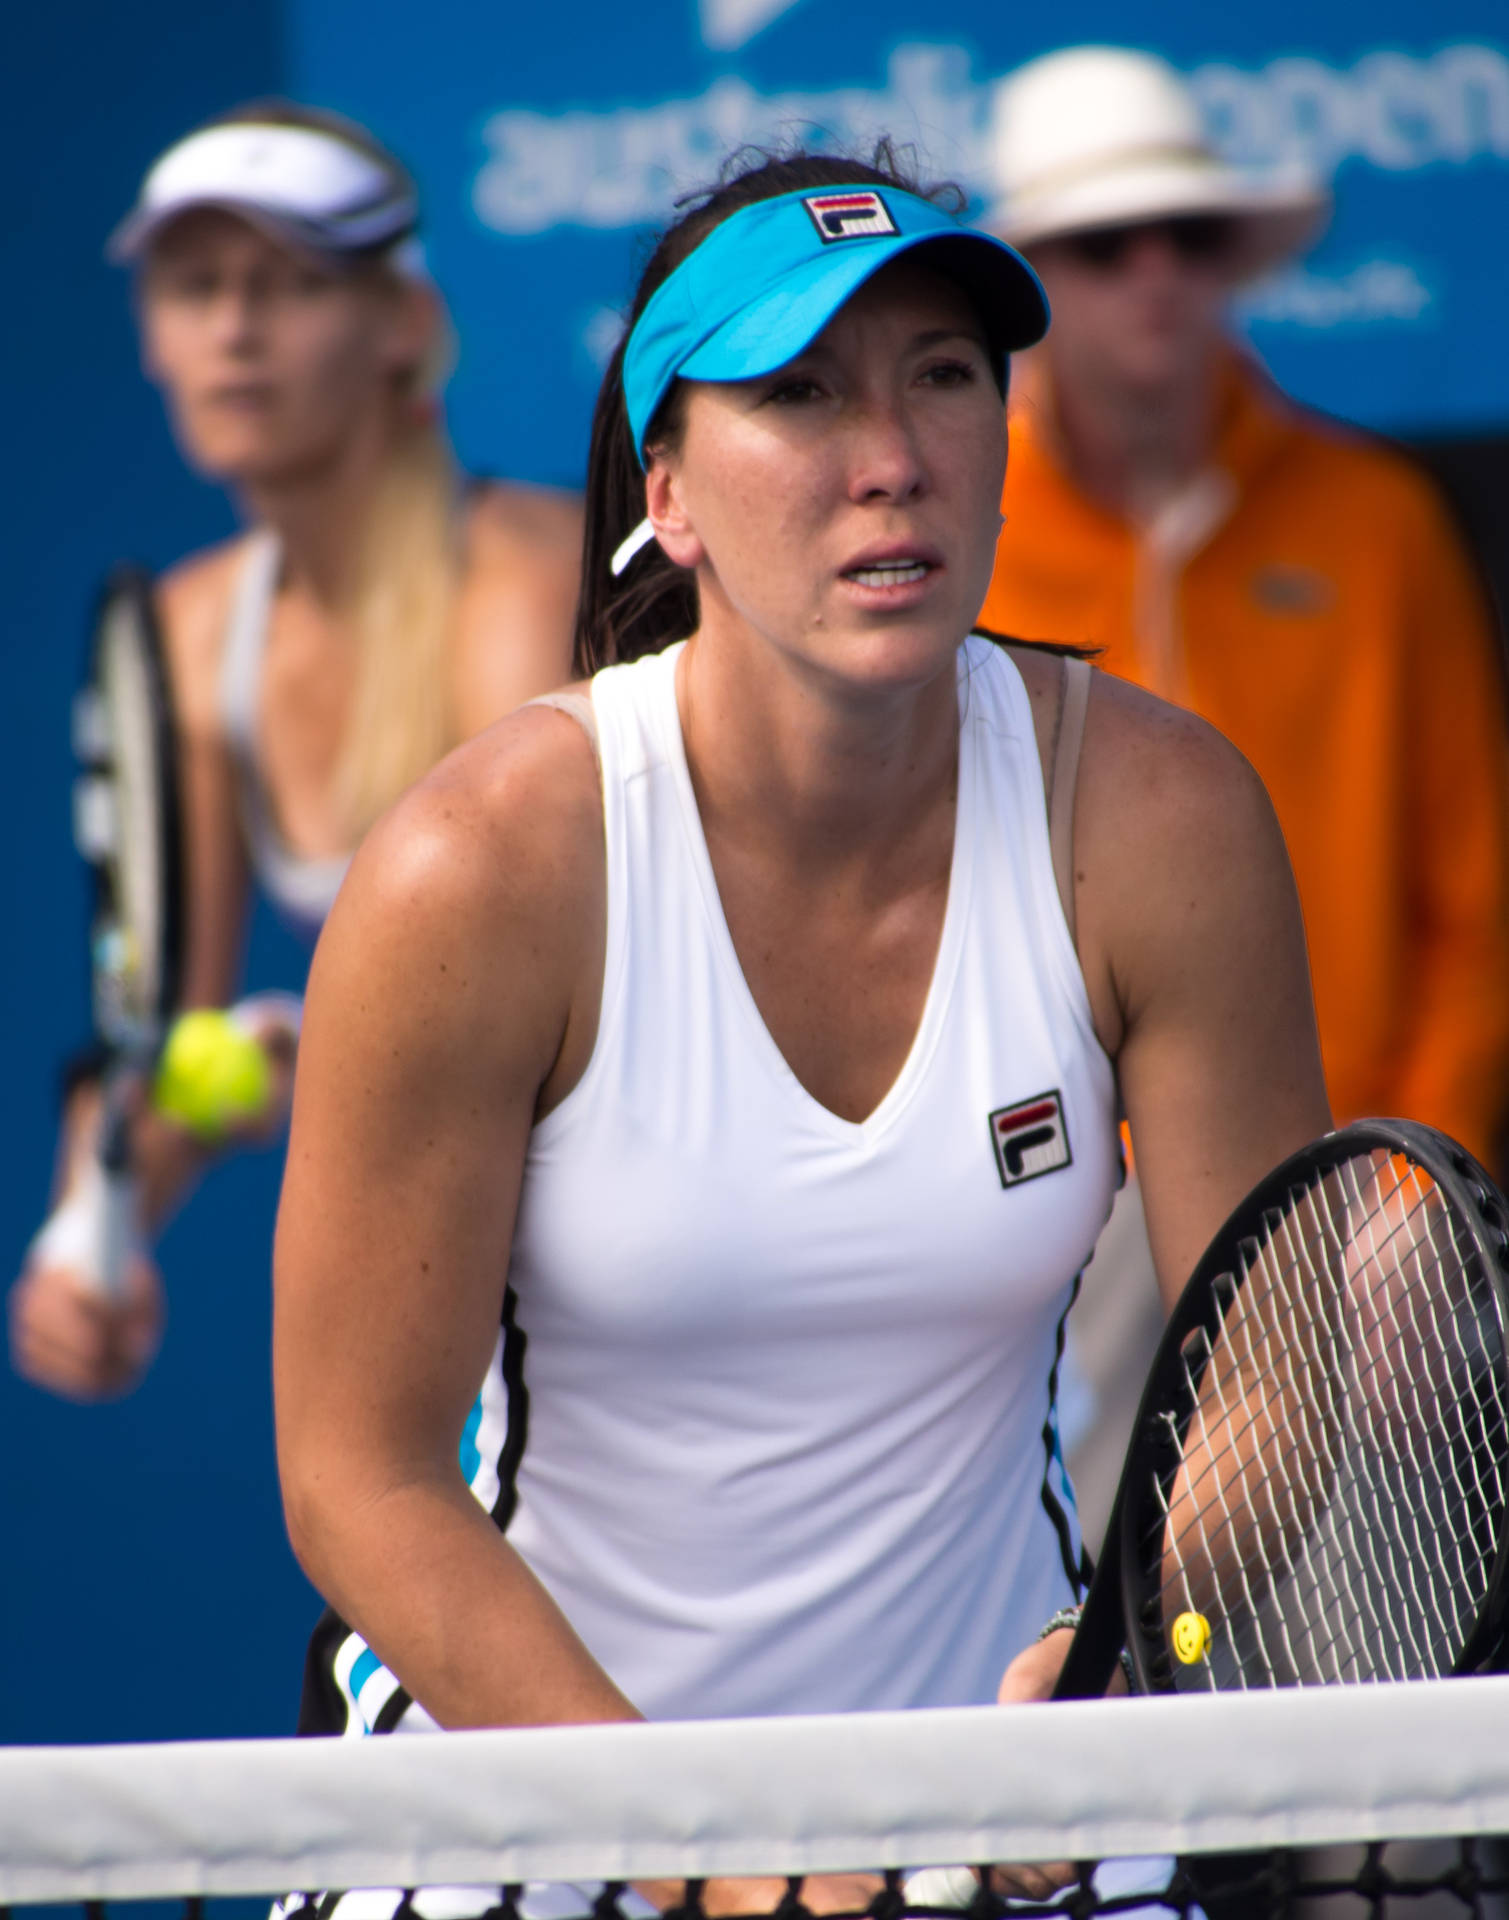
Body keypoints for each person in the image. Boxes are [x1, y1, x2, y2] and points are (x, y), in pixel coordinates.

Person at [269, 143, 1330, 1912]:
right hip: (536, 1807)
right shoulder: (476, 871)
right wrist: (718, 1868)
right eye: (800, 394)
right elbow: (359, 1480)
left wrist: (1118, 1651)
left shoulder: (1160, 820)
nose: (890, 458)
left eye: (941, 376)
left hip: (1009, 1795)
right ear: (668, 491)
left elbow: (1273, 1363)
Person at [977, 45, 1509, 1542]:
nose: (1151, 275)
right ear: (1030, 282)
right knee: (1068, 1662)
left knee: (1368, 1681)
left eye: (1186, 236)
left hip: (1352, 1199)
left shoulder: (1374, 520)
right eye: (1098, 244)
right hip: (1054, 1215)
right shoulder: (965, 553)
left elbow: (1473, 903)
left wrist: (1411, 1194)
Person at [8, 101, 581, 1403]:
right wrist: (84, 1239)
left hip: (679, 1278)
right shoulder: (191, 630)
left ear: (399, 327)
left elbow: (535, 1017)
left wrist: (293, 1056)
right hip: (483, 1314)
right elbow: (175, 1037)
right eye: (193, 286)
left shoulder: (518, 600)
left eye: (289, 283)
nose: (232, 332)